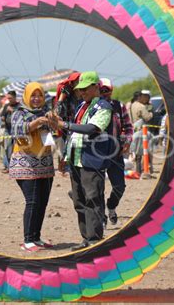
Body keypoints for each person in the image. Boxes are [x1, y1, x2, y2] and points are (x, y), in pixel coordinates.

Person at [55, 71, 113, 251]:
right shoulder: (82, 106)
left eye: (86, 88)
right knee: (79, 201)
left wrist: (65, 125)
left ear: (96, 86)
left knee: (93, 199)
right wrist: (65, 156)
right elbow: (73, 134)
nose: (82, 92)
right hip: (76, 160)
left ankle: (95, 240)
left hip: (92, 160)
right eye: (80, 89)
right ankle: (86, 239)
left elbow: (92, 128)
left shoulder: (103, 106)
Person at [10, 82, 55, 252]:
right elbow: (16, 130)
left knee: (42, 202)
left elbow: (57, 131)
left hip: (45, 163)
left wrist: (53, 121)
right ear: (27, 97)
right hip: (25, 163)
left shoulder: (46, 112)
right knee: (32, 201)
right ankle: (28, 240)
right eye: (33, 96)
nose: (36, 99)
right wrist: (35, 123)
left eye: (39, 95)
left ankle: (36, 237)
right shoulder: (19, 113)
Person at [99, 78, 133, 226]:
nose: (104, 93)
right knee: (97, 188)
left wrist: (126, 142)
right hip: (97, 154)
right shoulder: (92, 107)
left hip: (115, 153)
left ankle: (111, 206)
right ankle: (101, 218)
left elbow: (128, 127)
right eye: (101, 90)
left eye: (107, 90)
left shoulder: (119, 106)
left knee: (119, 186)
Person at [0, 91, 20, 173]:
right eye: (8, 98)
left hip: (17, 130)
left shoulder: (19, 106)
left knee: (16, 149)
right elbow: (2, 117)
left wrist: (13, 111)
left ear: (15, 97)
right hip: (8, 130)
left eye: (10, 98)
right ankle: (8, 167)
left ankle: (16, 166)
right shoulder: (6, 106)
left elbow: (21, 116)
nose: (9, 100)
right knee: (7, 148)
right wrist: (4, 114)